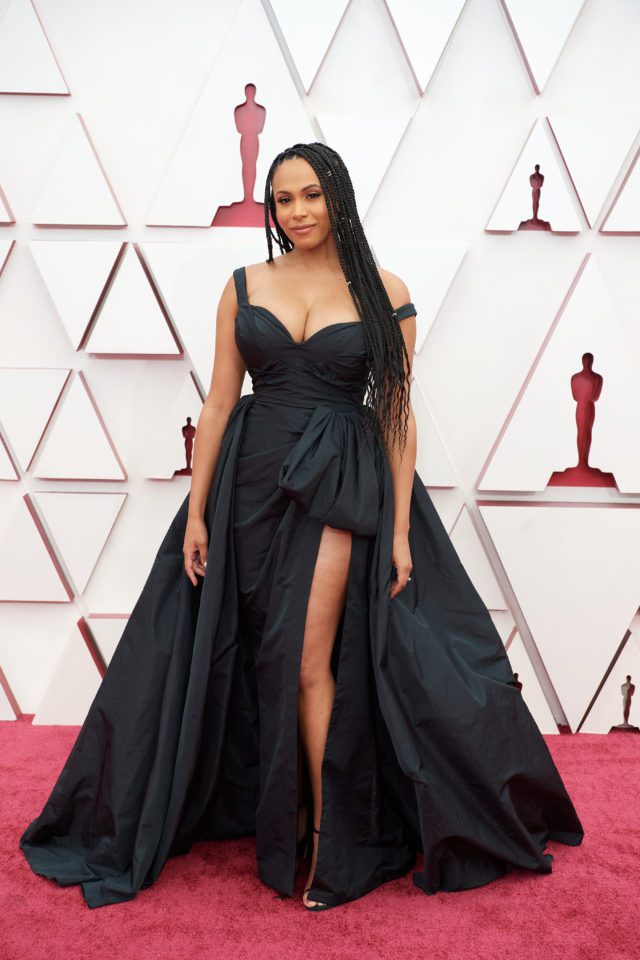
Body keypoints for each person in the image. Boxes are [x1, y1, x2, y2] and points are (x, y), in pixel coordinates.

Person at [19, 141, 584, 912]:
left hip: (337, 484)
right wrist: (196, 511)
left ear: (338, 197)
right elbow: (218, 403)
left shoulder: (386, 292)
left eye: (311, 195)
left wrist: (400, 532)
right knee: (255, 652)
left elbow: (392, 411)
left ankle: (328, 840)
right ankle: (278, 810)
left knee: (308, 658)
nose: (297, 212)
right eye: (283, 199)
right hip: (249, 482)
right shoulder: (244, 284)